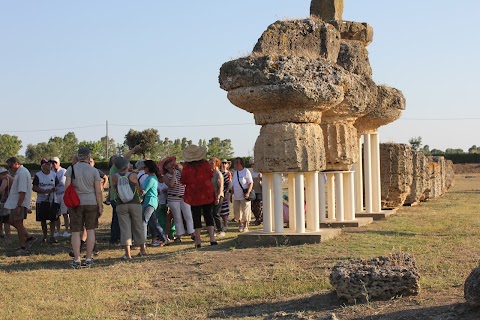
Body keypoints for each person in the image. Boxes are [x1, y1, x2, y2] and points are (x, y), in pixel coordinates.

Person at [64, 147, 103, 268]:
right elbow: (98, 191)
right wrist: (100, 205)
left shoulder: (71, 169)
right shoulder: (94, 171)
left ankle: (76, 259)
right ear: (88, 157)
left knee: (76, 232)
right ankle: (89, 258)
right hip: (91, 202)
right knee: (90, 230)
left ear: (78, 156)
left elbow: (67, 188)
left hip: (76, 203)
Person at [180, 145, 217, 248]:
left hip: (193, 193)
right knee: (208, 215)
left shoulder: (187, 166)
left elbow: (183, 181)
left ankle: (198, 240)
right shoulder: (205, 164)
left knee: (196, 217)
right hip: (206, 191)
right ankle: (212, 238)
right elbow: (211, 175)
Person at [112, 156, 146, 259]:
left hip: (121, 204)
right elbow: (139, 189)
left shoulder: (115, 177)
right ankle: (142, 250)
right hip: (135, 203)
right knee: (138, 226)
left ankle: (127, 254)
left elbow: (115, 189)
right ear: (126, 165)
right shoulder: (134, 175)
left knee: (125, 228)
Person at [107, 145, 141, 245]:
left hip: (116, 197)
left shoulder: (115, 171)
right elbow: (125, 158)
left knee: (117, 220)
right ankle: (115, 239)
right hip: (119, 198)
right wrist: (133, 150)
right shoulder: (115, 168)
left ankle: (116, 238)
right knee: (118, 221)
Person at [4, 157, 34, 254]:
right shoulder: (19, 172)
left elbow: (22, 192)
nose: (10, 168)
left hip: (19, 203)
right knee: (11, 220)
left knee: (19, 224)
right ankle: (28, 237)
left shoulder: (22, 173)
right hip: (16, 203)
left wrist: (19, 205)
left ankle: (23, 247)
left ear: (16, 163)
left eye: (10, 166)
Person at [160, 156, 194, 243]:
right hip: (173, 198)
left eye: (171, 163)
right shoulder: (165, 176)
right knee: (177, 217)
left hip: (183, 196)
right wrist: (174, 175)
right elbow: (171, 185)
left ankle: (192, 233)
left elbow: (187, 178)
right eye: (168, 164)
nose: (170, 165)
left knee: (188, 215)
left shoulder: (179, 171)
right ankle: (179, 235)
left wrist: (179, 168)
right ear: (165, 167)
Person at [141, 160, 168, 251]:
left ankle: (142, 242)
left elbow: (143, 191)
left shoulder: (151, 179)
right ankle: (164, 238)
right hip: (150, 202)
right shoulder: (151, 178)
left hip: (149, 202)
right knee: (154, 222)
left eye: (145, 167)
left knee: (144, 222)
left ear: (149, 168)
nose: (143, 169)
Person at [32, 158, 59, 243]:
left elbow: (57, 184)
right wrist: (43, 191)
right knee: (43, 219)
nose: (49, 165)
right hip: (41, 200)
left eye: (49, 164)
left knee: (53, 219)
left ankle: (52, 236)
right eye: (47, 164)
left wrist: (55, 189)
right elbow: (34, 187)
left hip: (52, 199)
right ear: (43, 166)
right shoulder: (38, 175)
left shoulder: (54, 174)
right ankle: (45, 236)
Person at [231, 157, 253, 232]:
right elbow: (233, 184)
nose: (234, 164)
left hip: (244, 195)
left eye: (236, 163)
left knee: (245, 211)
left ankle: (246, 225)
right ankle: (240, 224)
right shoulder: (235, 173)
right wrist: (231, 194)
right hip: (236, 196)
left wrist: (248, 192)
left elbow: (250, 182)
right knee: (237, 212)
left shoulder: (246, 171)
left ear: (240, 163)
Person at [50, 156, 70, 237]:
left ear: (58, 163)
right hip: (55, 195)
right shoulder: (51, 172)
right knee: (56, 214)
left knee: (65, 213)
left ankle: (66, 230)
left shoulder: (63, 171)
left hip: (63, 194)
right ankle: (57, 231)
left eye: (55, 162)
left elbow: (62, 182)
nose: (54, 164)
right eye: (52, 163)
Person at [209, 157, 225, 237]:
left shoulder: (219, 174)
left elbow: (221, 187)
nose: (210, 164)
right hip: (211, 196)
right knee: (210, 214)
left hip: (218, 196)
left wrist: (218, 197)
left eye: (212, 163)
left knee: (216, 213)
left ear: (216, 163)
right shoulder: (211, 173)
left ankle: (221, 230)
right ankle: (213, 230)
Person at [0, 167, 13, 240]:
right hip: (10, 199)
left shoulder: (5, 179)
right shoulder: (10, 178)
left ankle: (8, 238)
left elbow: (1, 190)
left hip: (8, 201)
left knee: (6, 220)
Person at [219, 159, 232, 230]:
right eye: (222, 163)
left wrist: (227, 192)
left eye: (225, 163)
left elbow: (229, 182)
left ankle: (225, 224)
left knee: (224, 209)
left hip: (224, 193)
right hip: (215, 194)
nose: (223, 164)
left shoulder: (227, 173)